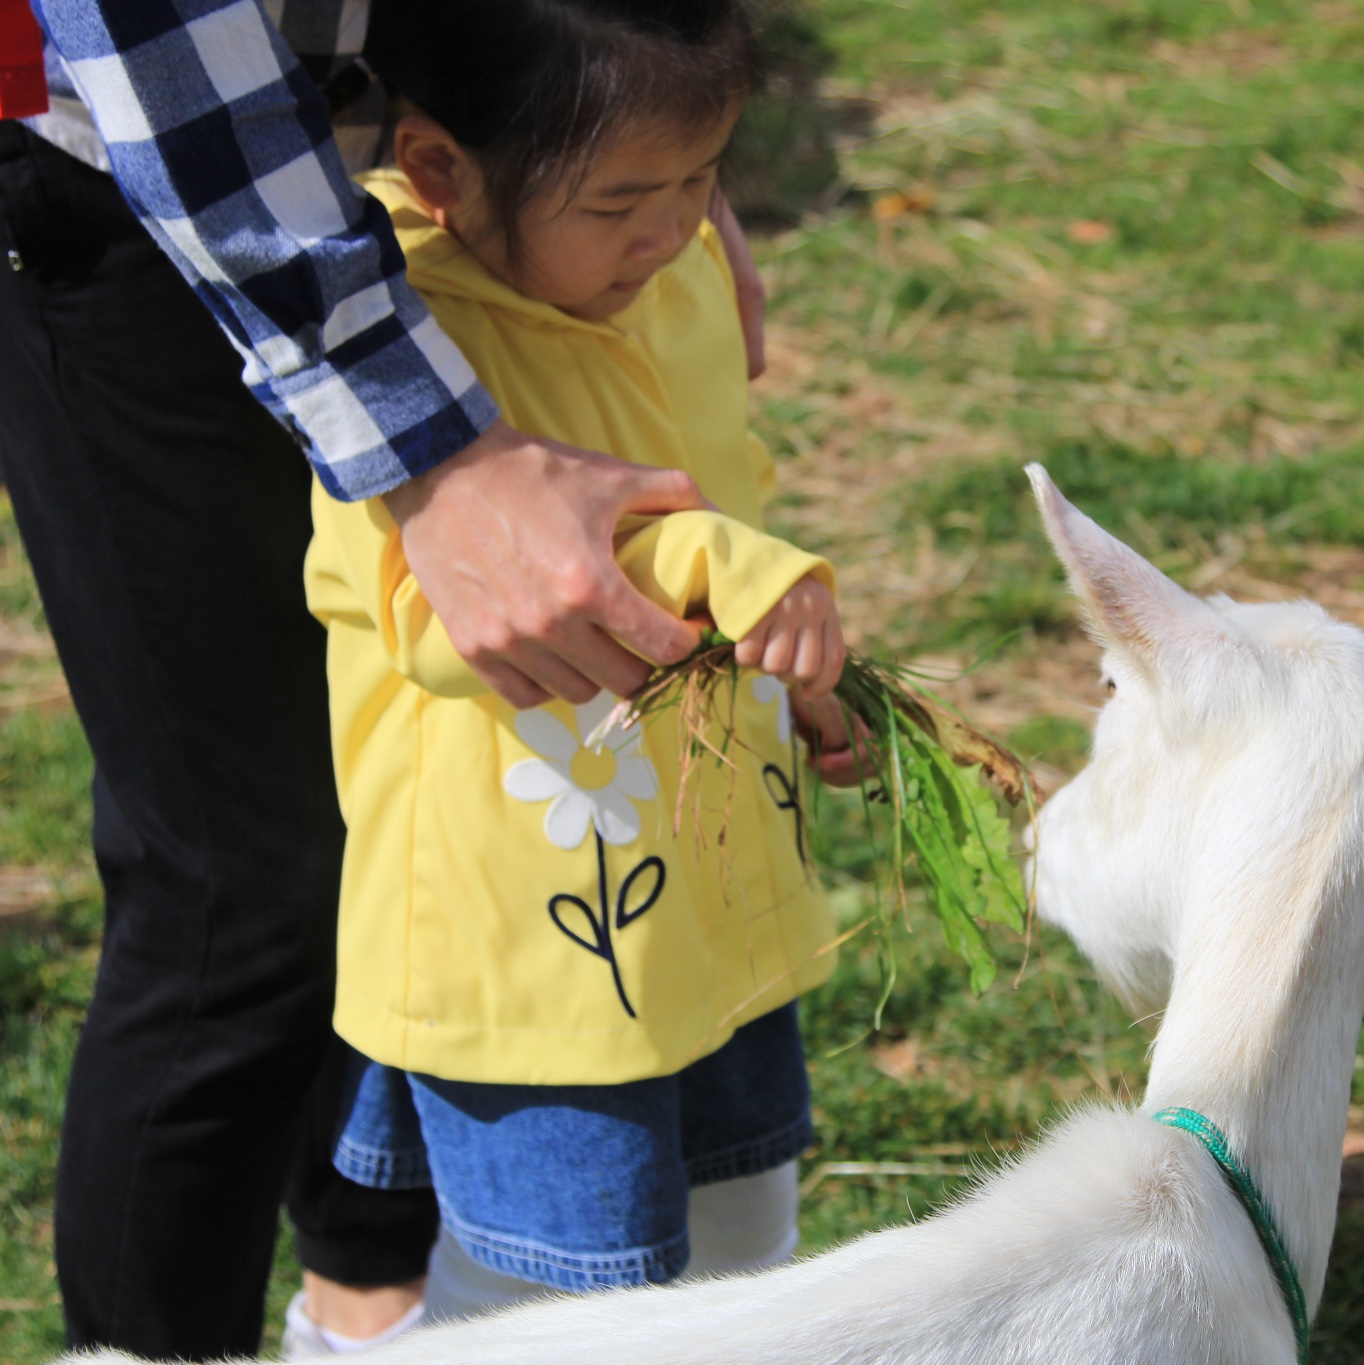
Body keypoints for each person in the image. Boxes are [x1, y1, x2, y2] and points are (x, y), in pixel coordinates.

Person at [0, 0, 761, 1356]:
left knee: (397, 797)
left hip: (457, 149)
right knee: (239, 889)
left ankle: (365, 1308)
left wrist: (640, 161)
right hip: (132, 157)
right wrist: (431, 448)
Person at [303, 0, 855, 1327]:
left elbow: (726, 481)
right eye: (621, 201)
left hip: (707, 855)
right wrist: (721, 569)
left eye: (700, 180)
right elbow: (431, 623)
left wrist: (786, 660)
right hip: (535, 924)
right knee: (551, 1294)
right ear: (440, 169)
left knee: (739, 1221)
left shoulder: (665, 276)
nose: (669, 230)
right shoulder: (391, 349)